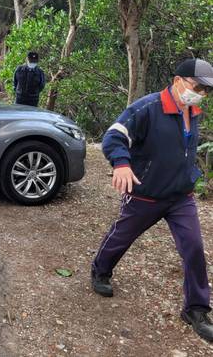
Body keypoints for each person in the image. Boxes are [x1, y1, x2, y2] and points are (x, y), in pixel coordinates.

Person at [91, 58, 213, 343]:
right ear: (178, 81)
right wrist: (121, 163)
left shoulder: (193, 111)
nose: (202, 95)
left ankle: (196, 309)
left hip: (180, 196)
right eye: (198, 87)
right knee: (121, 237)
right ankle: (100, 270)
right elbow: (113, 137)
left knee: (194, 247)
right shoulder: (147, 108)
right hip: (146, 194)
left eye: (207, 91)